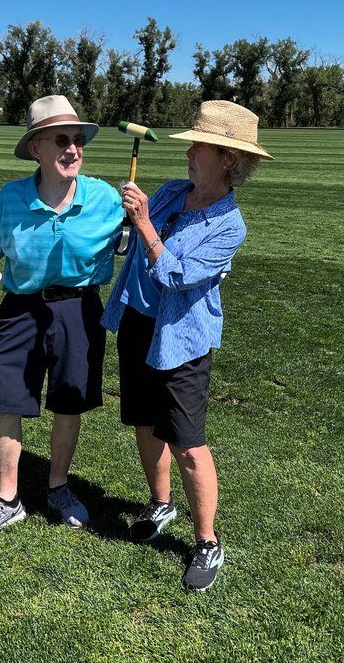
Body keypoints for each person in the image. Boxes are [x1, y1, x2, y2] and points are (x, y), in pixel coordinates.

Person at [102, 100, 274, 591]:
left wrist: (145, 225)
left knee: (188, 443)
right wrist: (125, 221)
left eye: (199, 146)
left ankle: (206, 541)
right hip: (138, 322)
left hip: (182, 342)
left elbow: (176, 275)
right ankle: (160, 504)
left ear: (226, 158)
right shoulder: (174, 191)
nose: (189, 153)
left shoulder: (228, 225)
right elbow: (130, 245)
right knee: (144, 423)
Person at [0, 95, 124, 542]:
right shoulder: (11, 196)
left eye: (77, 140)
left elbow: (134, 240)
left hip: (79, 309)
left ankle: (57, 487)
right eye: (60, 141)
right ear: (36, 147)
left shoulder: (106, 198)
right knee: (5, 400)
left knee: (69, 402)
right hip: (20, 309)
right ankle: (6, 500)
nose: (72, 149)